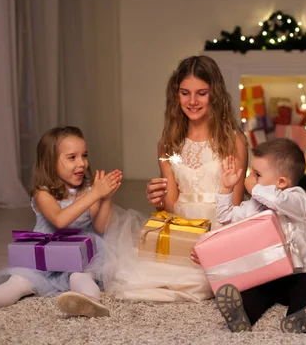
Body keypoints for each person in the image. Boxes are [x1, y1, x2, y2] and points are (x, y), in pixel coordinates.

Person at [102, 55, 248, 302]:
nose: (192, 101)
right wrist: (157, 201)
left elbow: (235, 208)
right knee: (137, 279)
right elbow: (171, 205)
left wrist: (211, 249)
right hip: (183, 232)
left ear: (216, 94)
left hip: (220, 230)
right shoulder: (168, 145)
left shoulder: (234, 141)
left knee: (204, 281)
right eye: (185, 93)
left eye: (201, 93)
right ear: (176, 94)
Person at [0, 126, 122, 318]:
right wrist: (95, 194)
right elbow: (60, 220)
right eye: (72, 157)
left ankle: (89, 301)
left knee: (80, 275)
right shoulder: (43, 192)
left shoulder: (88, 190)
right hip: (46, 253)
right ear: (50, 162)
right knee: (20, 282)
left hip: (82, 253)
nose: (82, 163)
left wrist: (105, 197)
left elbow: (100, 226)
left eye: (84, 155)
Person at [210, 139, 306, 333]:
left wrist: (255, 189)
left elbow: (277, 200)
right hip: (262, 274)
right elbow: (226, 217)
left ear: (281, 182)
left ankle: (297, 318)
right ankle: (241, 316)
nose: (250, 178)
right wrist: (227, 188)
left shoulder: (297, 198)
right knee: (250, 292)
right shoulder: (253, 205)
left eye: (256, 174)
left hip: (293, 275)